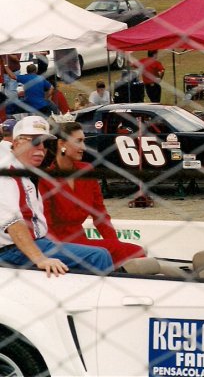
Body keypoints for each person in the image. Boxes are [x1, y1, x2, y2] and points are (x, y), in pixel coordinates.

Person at [0, 115, 113, 277]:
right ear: (17, 143)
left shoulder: (24, 172)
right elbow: (13, 222)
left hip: (31, 244)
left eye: (45, 144)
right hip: (12, 249)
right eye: (34, 142)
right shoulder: (7, 172)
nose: (41, 149)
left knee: (98, 253)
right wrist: (40, 259)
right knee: (99, 256)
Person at [39, 121, 145, 268]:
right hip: (57, 244)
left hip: (82, 241)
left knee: (134, 251)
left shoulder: (87, 171)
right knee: (110, 254)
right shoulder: (45, 179)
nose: (83, 147)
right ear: (61, 143)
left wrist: (115, 245)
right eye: (79, 141)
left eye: (84, 141)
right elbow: (46, 227)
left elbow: (100, 216)